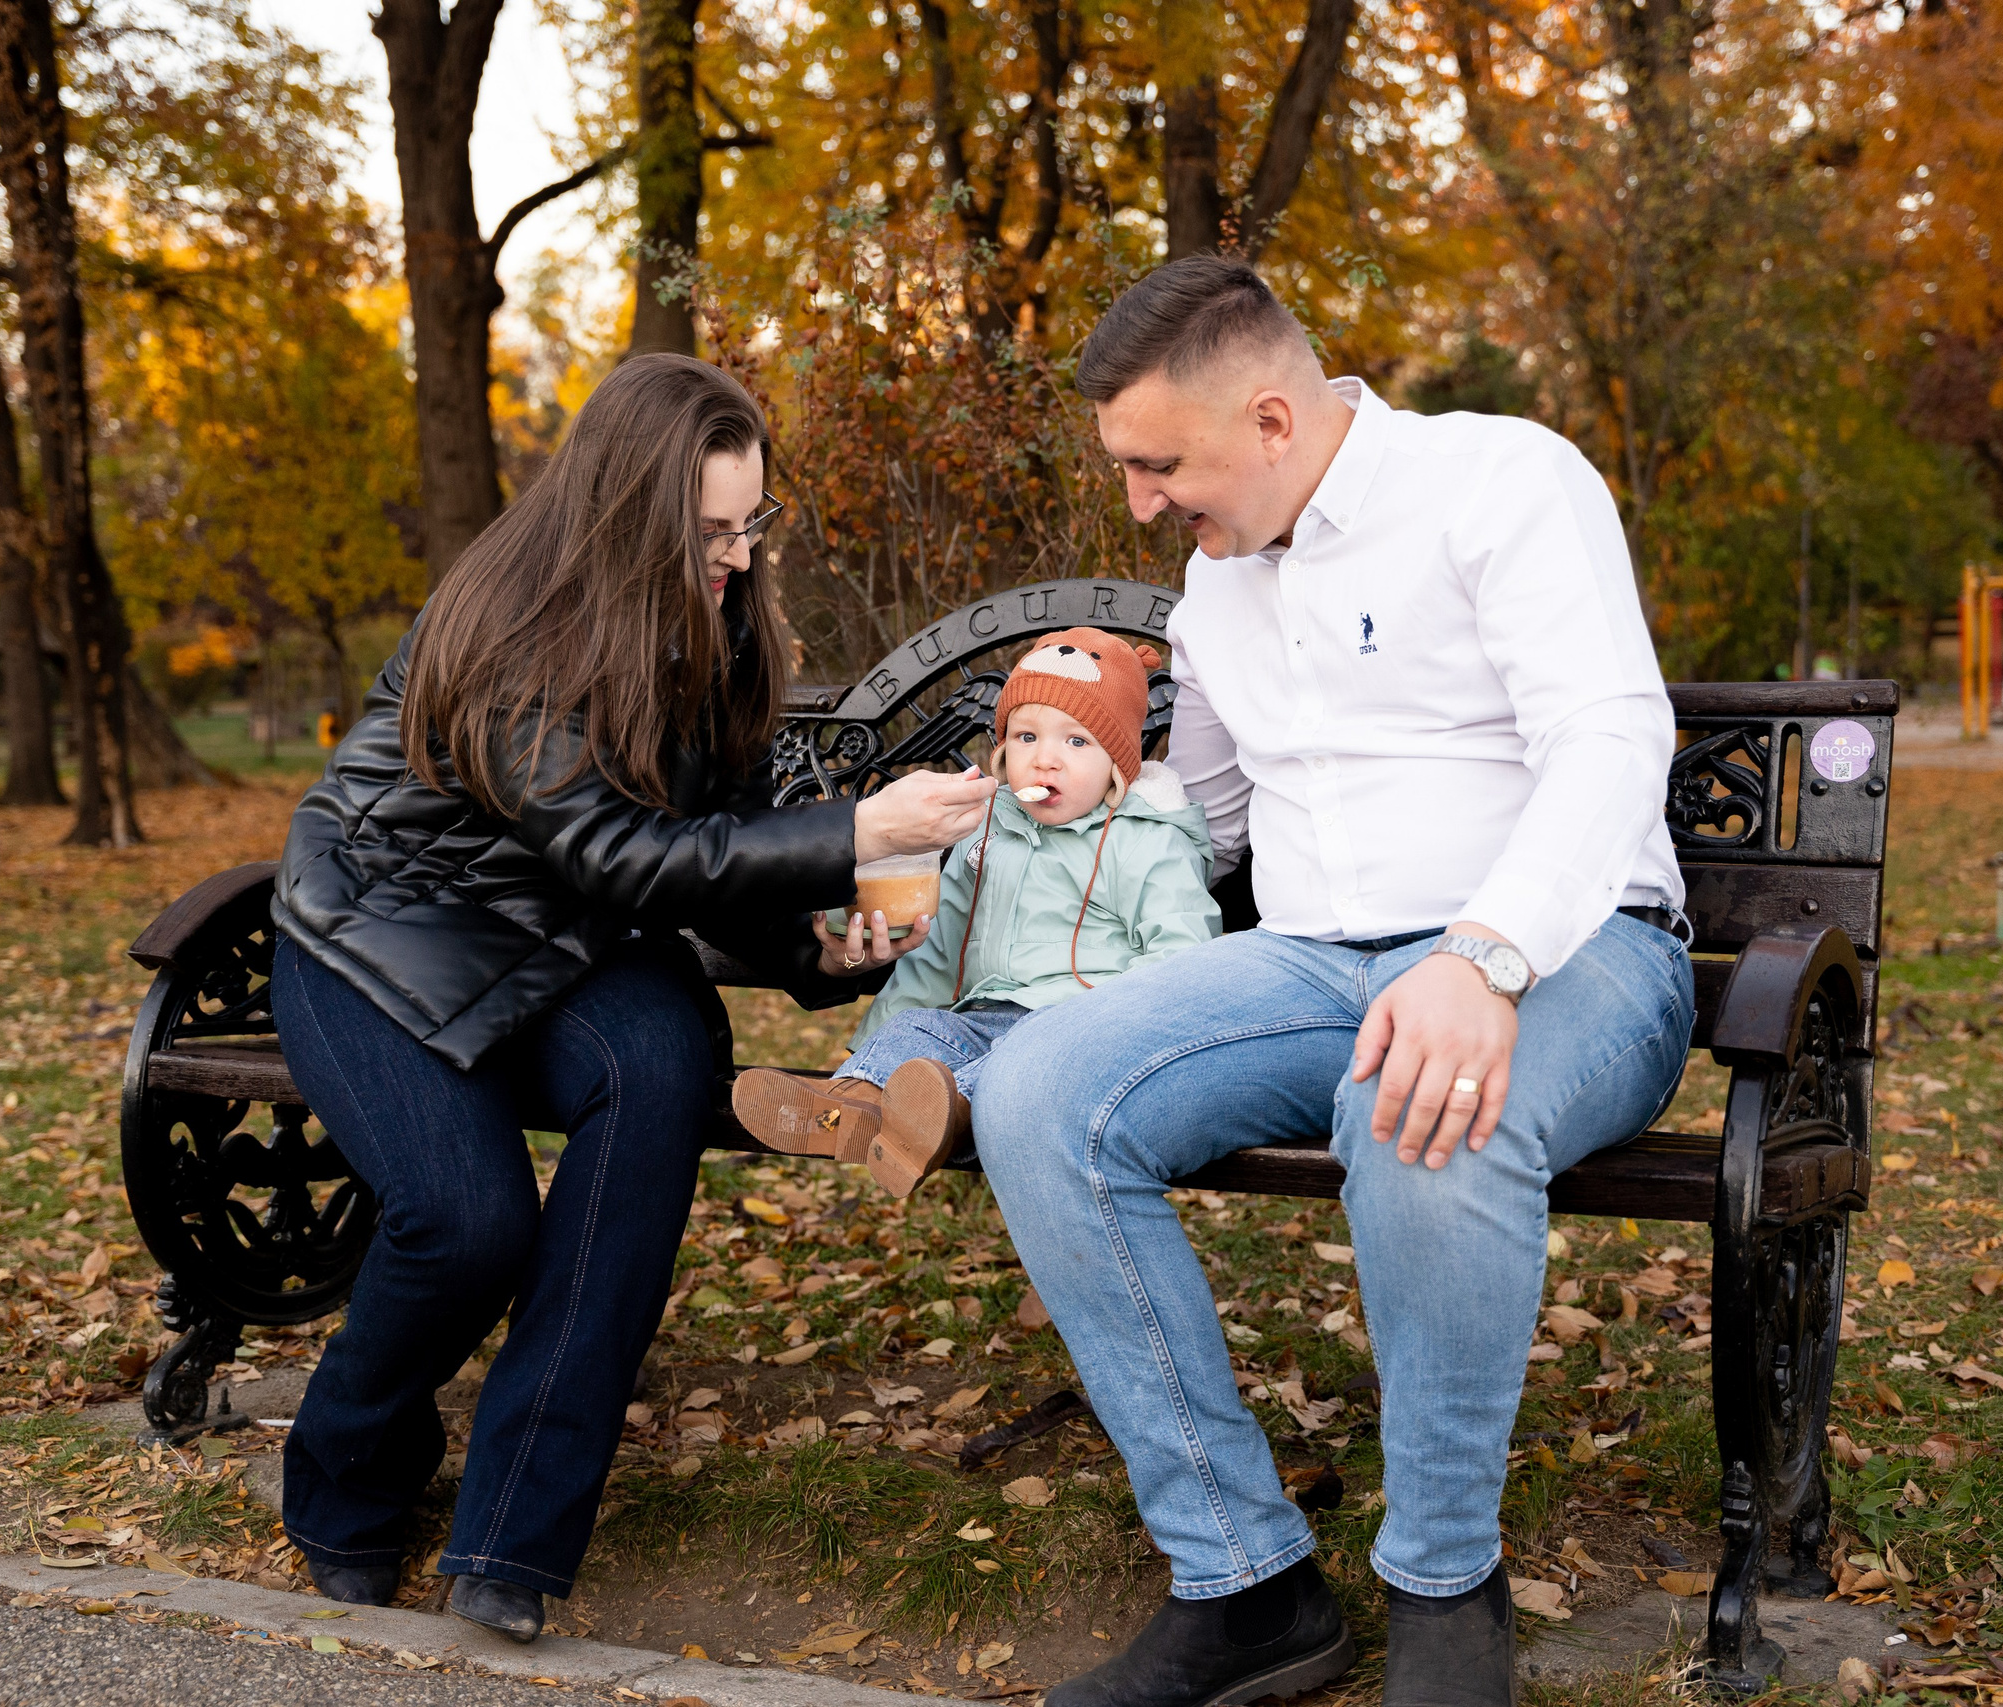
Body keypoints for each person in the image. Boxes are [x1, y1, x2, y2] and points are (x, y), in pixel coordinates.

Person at [970, 258, 1695, 1707]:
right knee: (1041, 1088)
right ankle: (1244, 1582)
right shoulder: (1219, 587)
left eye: (1159, 463)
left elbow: (1611, 740)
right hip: (1313, 962)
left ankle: (1441, 1582)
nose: (1141, 501)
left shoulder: (1501, 482)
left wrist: (1482, 959)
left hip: (1574, 950)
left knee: (1421, 1106)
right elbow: (1212, 821)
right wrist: (1010, 860)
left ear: (1276, 418)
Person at [267, 354, 993, 1642]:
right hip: (384, 935)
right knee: (464, 1221)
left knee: (660, 1073)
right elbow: (614, 851)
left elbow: (709, 840)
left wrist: (824, 955)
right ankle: (344, 1475)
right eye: (709, 531)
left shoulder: (714, 625)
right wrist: (858, 821)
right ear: (625, 516)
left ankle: (512, 1541)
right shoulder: (504, 621)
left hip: (573, 945)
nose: (736, 555)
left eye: (749, 524)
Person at [732, 628, 1220, 1194]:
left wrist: (1111, 1028)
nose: (1046, 760)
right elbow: (940, 951)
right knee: (922, 1028)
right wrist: (885, 1031)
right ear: (1003, 747)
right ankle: (851, 1105)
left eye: (1077, 743)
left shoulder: (1145, 842)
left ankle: (944, 1119)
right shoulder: (986, 836)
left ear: (1119, 762)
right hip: (981, 1017)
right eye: (1026, 736)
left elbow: (1181, 960)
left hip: (1081, 1033)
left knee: (1009, 1068)